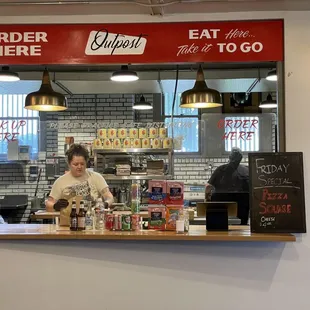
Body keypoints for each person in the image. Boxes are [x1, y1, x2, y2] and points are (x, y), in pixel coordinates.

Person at [46, 144, 113, 223]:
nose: (79, 167)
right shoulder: (60, 181)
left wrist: (105, 204)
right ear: (69, 164)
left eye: (82, 164)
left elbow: (109, 196)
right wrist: (55, 206)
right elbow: (49, 204)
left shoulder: (96, 177)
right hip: (68, 228)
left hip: (92, 227)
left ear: (86, 162)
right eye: (75, 164)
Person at [205, 147, 249, 225]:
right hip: (241, 208)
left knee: (220, 228)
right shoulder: (246, 170)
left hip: (221, 208)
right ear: (241, 158)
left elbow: (208, 187)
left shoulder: (221, 169)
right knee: (242, 229)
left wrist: (207, 203)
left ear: (229, 157)